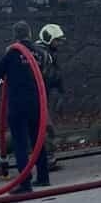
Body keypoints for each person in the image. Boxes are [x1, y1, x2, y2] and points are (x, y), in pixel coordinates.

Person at [0, 20, 50, 196]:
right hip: (36, 101)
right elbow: (45, 68)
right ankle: (43, 176)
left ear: (14, 35)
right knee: (38, 140)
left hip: (17, 103)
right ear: (30, 34)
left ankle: (25, 183)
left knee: (20, 144)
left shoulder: (13, 52)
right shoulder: (38, 52)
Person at [34, 23, 66, 168]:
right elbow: (47, 76)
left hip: (40, 96)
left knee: (33, 130)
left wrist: (60, 90)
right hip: (36, 97)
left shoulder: (47, 53)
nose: (59, 43)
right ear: (48, 39)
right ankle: (47, 159)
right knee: (46, 128)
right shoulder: (41, 53)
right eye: (56, 40)